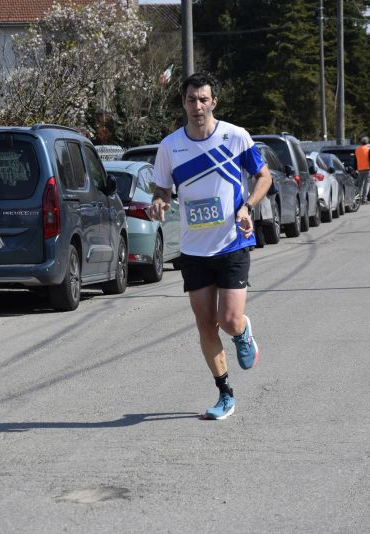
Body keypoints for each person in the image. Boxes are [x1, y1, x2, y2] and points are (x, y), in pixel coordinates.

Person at [149, 72, 273, 421]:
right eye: (191, 99)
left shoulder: (235, 137)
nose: (197, 106)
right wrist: (159, 202)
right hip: (194, 250)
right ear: (183, 103)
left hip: (232, 242)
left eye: (203, 99)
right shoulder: (170, 146)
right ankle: (225, 393)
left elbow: (264, 177)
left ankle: (242, 331)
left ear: (214, 101)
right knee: (206, 325)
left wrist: (248, 207)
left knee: (228, 320)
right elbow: (162, 189)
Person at [354, 137, 370, 202]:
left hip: (360, 169)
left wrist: (355, 168)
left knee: (360, 184)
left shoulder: (357, 150)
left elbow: (355, 160)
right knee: (366, 184)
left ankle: (359, 198)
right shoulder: (368, 149)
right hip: (368, 169)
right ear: (367, 142)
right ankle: (364, 199)